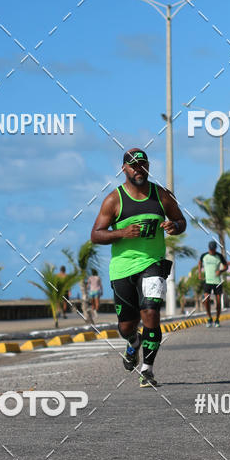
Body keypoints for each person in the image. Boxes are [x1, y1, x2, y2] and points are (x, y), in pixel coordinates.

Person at [90, 148, 186, 388]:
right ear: (124, 169)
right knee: (126, 326)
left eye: (142, 165)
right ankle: (133, 343)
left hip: (153, 263)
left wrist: (174, 226)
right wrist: (122, 232)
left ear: (148, 167)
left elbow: (181, 220)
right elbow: (95, 235)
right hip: (122, 269)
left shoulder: (161, 195)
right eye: (133, 166)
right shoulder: (114, 199)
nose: (138, 170)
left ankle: (147, 370)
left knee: (151, 313)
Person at [198, 240, 228, 327]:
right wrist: (200, 273)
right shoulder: (204, 256)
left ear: (215, 249)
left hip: (217, 282)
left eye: (213, 249)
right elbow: (200, 263)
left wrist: (221, 271)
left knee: (218, 302)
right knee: (206, 300)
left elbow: (226, 266)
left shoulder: (219, 256)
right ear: (209, 248)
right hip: (207, 281)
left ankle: (217, 319)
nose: (212, 251)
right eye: (211, 249)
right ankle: (209, 318)